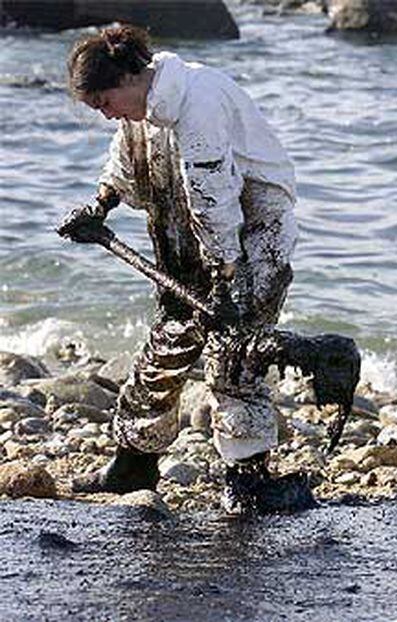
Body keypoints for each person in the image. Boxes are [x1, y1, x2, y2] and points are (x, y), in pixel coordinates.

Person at [62, 24, 302, 515]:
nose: (105, 113)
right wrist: (99, 206)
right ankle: (134, 464)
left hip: (253, 241)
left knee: (234, 363)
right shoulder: (143, 108)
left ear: (129, 76)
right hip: (187, 241)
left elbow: (215, 201)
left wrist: (224, 279)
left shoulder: (200, 101)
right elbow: (124, 167)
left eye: (104, 102)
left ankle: (250, 482)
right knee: (165, 350)